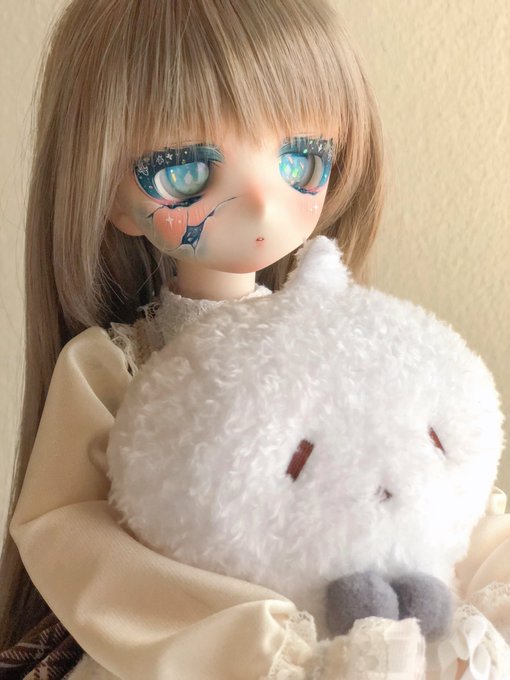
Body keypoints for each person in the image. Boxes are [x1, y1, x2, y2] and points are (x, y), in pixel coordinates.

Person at [0, 0, 508, 678]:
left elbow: (434, 488)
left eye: (300, 159)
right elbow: (74, 538)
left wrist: (488, 588)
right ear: (114, 197)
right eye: (186, 171)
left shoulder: (343, 343)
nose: (264, 202)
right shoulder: (116, 365)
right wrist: (266, 651)